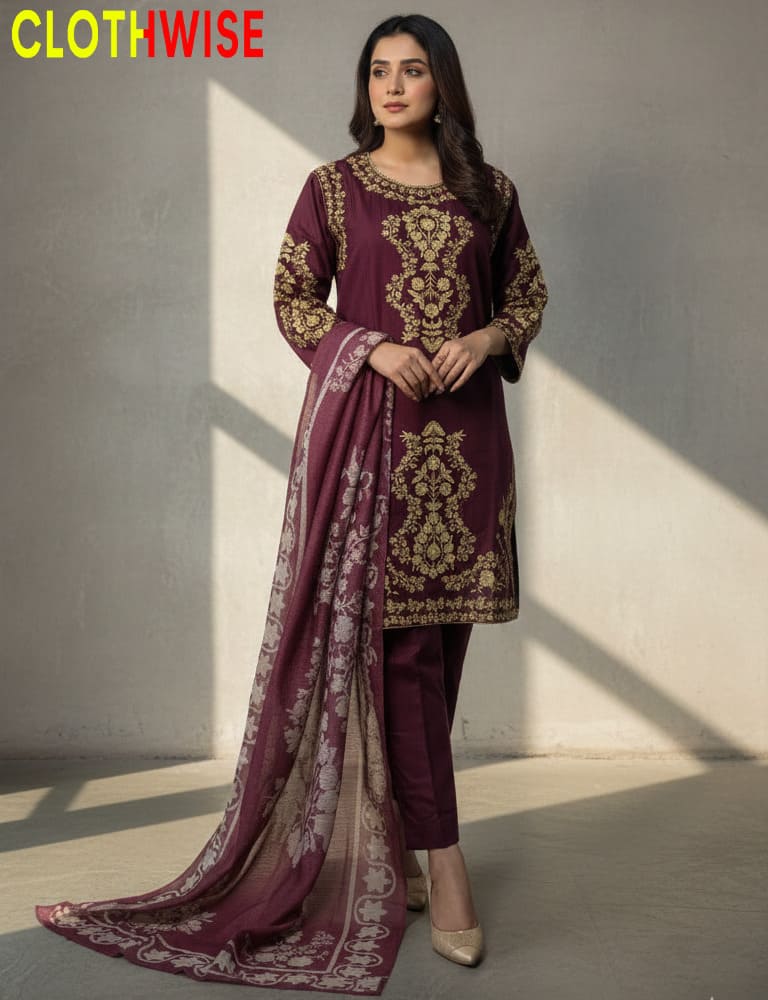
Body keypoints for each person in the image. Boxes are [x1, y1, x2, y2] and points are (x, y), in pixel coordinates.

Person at [35, 12, 547, 995]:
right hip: (373, 455)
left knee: (438, 661)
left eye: (412, 71)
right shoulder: (333, 191)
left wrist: (483, 343)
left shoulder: (492, 194)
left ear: (443, 85)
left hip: (472, 453)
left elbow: (524, 298)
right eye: (378, 72)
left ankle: (398, 843)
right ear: (366, 89)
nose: (393, 86)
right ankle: (446, 869)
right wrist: (373, 347)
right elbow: (292, 297)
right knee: (396, 658)